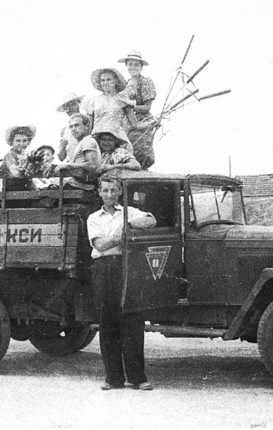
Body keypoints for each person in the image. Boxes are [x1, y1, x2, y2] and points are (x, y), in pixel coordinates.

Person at [87, 175, 156, 391]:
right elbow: (100, 245)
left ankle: (137, 378)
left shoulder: (129, 211)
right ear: (99, 192)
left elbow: (151, 220)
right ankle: (113, 379)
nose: (109, 194)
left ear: (119, 192)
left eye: (113, 190)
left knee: (132, 321)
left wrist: (128, 224)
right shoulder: (93, 218)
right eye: (105, 190)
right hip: (104, 268)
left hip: (127, 267)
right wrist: (122, 235)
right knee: (107, 322)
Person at [118, 50, 159, 170]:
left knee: (140, 154)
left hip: (140, 123)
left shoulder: (145, 82)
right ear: (126, 66)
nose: (133, 67)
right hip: (126, 124)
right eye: (130, 64)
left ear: (141, 67)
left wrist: (130, 105)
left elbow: (147, 107)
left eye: (136, 64)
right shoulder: (125, 84)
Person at [81, 68, 134, 154]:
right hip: (97, 136)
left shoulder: (123, 99)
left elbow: (135, 124)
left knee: (124, 155)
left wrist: (151, 122)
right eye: (103, 80)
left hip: (117, 136)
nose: (105, 83)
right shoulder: (93, 100)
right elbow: (89, 124)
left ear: (116, 81)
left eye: (108, 79)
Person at [54, 114, 101, 190]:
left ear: (87, 126)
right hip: (77, 184)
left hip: (84, 187)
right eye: (71, 127)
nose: (73, 129)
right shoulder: (81, 142)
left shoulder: (88, 141)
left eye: (76, 125)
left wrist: (68, 165)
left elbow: (92, 165)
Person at [0, 125, 36, 191]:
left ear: (28, 142)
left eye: (24, 141)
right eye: (18, 141)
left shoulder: (27, 156)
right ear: (12, 142)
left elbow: (29, 182)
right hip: (12, 193)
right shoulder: (10, 156)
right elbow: (16, 174)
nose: (21, 144)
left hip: (25, 191)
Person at [56, 93, 89, 162]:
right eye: (67, 106)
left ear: (78, 105)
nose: (70, 108)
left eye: (73, 104)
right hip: (70, 164)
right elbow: (61, 157)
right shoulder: (64, 130)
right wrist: (62, 147)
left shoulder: (88, 122)